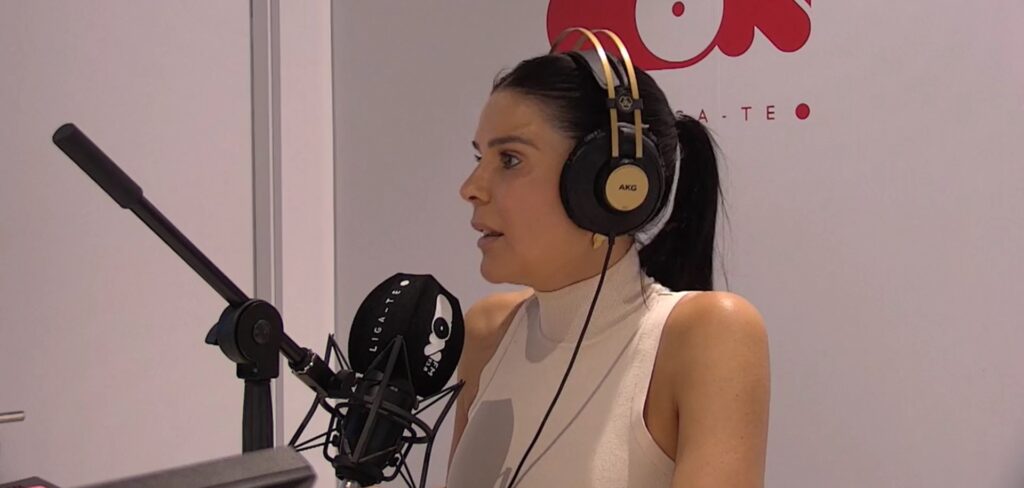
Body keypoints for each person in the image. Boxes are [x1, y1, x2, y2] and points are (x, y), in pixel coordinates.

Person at [445, 39, 770, 488]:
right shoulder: (487, 332)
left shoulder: (707, 335)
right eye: (480, 158)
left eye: (510, 159)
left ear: (608, 180)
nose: (471, 187)